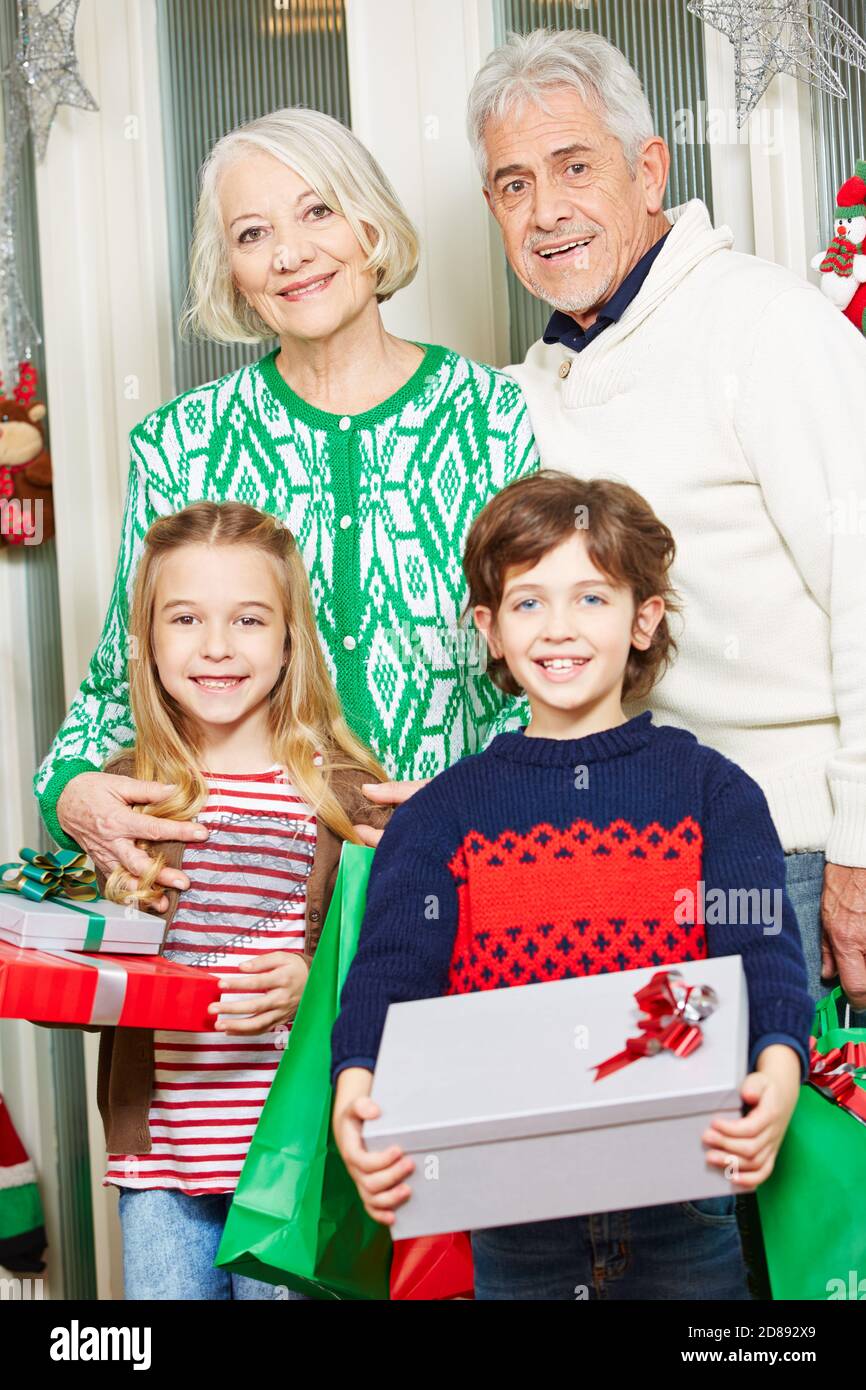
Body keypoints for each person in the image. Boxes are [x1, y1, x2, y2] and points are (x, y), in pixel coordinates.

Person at [446, 28, 866, 1014]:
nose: (544, 210)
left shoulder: (763, 325)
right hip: (640, 851)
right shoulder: (537, 384)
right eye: (512, 185)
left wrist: (857, 851)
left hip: (796, 849)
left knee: (796, 1158)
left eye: (572, 166)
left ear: (647, 171)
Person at [33, 106, 538, 909]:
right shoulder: (182, 444)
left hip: (462, 891)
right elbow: (119, 679)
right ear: (231, 269)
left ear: (368, 224)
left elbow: (543, 668)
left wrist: (489, 806)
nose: (290, 254)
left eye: (317, 211)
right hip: (246, 901)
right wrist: (68, 794)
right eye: (252, 234)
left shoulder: (492, 415)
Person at [331, 471, 813, 1301]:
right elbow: (389, 976)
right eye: (527, 603)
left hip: (683, 1200)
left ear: (644, 619)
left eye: (592, 598)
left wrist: (778, 1070)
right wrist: (356, 1092)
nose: (559, 628)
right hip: (513, 1216)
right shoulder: (441, 817)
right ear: (488, 629)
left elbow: (762, 956)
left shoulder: (715, 795)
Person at [82, 500, 393, 1298]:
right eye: (184, 619)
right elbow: (86, 973)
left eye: (249, 620)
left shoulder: (346, 795)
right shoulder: (127, 794)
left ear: (291, 641)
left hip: (292, 1162)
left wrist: (310, 983)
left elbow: (402, 960)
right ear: (148, 642)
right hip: (159, 1163)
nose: (216, 647)